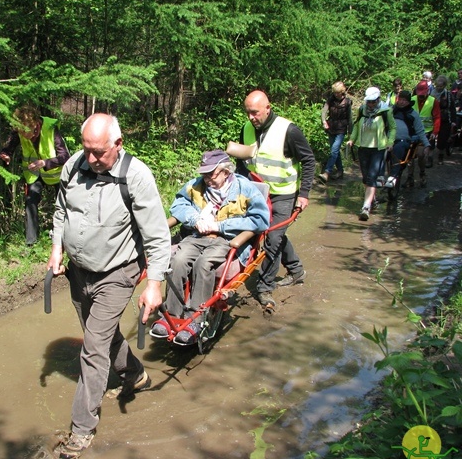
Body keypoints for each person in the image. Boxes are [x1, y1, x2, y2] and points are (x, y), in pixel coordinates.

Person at [46, 113, 171, 459]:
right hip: (78, 271)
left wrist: (155, 284)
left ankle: (81, 431)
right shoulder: (75, 164)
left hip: (118, 273)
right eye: (86, 149)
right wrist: (57, 248)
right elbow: (61, 210)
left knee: (93, 348)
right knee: (99, 332)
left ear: (118, 144)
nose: (91, 158)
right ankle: (135, 375)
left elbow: (158, 237)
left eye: (98, 151)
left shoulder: (137, 176)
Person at [150, 150, 270, 344]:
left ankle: (196, 318)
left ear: (226, 172)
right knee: (178, 260)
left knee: (204, 263)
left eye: (211, 174)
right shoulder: (195, 185)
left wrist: (220, 226)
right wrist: (195, 218)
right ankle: (171, 314)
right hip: (197, 235)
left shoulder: (245, 189)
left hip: (226, 238)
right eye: (204, 174)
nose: (206, 179)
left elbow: (261, 220)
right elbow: (178, 206)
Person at [227, 90, 315, 310]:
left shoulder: (289, 131)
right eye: (247, 112)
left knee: (272, 238)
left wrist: (303, 194)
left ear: (268, 108)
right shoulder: (246, 129)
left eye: (255, 113)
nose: (250, 117)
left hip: (284, 193)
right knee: (269, 234)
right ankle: (296, 270)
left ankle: (265, 288)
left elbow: (309, 160)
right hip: (258, 192)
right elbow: (242, 161)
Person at [0, 105, 70, 246]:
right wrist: (6, 155)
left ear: (35, 124)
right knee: (30, 201)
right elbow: (8, 148)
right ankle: (31, 243)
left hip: (55, 174)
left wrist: (45, 162)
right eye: (19, 131)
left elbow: (65, 156)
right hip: (34, 174)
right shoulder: (19, 130)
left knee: (62, 205)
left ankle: (64, 238)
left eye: (25, 131)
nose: (22, 135)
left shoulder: (50, 128)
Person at [346, 87, 396, 221]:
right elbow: (357, 126)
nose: (371, 104)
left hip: (378, 149)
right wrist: (352, 139)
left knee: (372, 177)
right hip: (363, 147)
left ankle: (365, 207)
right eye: (369, 102)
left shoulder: (386, 111)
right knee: (365, 177)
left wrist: (390, 142)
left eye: (373, 102)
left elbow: (392, 128)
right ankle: (371, 199)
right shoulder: (362, 110)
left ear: (378, 99)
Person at [386, 91, 430, 188]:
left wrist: (426, 145)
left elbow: (420, 131)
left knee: (399, 150)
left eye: (404, 100)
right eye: (400, 99)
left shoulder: (413, 114)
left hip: (404, 141)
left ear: (408, 102)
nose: (401, 102)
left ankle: (393, 177)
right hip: (388, 140)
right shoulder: (390, 111)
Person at [406, 80, 440, 187]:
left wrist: (435, 131)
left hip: (426, 133)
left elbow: (437, 117)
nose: (420, 96)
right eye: (419, 93)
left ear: (427, 91)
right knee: (410, 156)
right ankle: (410, 177)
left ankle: (422, 173)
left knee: (421, 155)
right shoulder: (411, 100)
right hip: (412, 132)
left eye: (422, 94)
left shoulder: (433, 101)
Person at [319, 81, 352, 183]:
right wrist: (324, 121)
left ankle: (327, 172)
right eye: (334, 92)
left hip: (341, 129)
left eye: (337, 92)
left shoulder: (347, 102)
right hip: (331, 127)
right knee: (335, 151)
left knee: (334, 150)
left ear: (342, 92)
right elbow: (324, 111)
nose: (336, 94)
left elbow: (350, 118)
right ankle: (340, 171)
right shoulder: (331, 99)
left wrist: (351, 135)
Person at [431, 75, 457, 162]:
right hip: (433, 118)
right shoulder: (431, 93)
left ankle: (440, 154)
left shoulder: (448, 95)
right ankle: (430, 156)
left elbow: (452, 108)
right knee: (431, 137)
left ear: (444, 85)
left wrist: (453, 121)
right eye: (437, 86)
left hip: (444, 119)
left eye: (441, 86)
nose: (438, 88)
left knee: (442, 139)